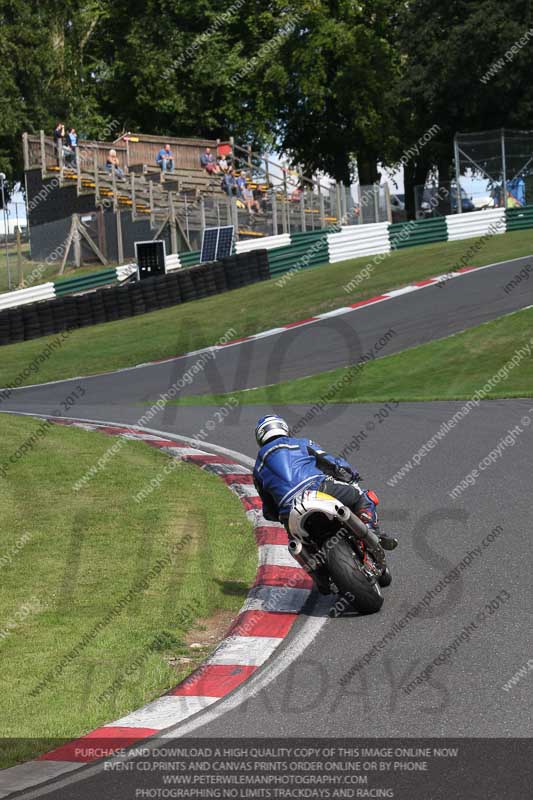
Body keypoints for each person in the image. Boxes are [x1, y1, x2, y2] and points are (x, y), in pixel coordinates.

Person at [253, 414, 398, 550]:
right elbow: (333, 463)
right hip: (318, 488)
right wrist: (352, 474)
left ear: (260, 437)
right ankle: (371, 528)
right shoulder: (301, 443)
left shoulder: (257, 469)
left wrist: (280, 514)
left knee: (298, 548)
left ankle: (317, 570)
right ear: (283, 427)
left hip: (289, 512)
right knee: (361, 495)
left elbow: (269, 511)